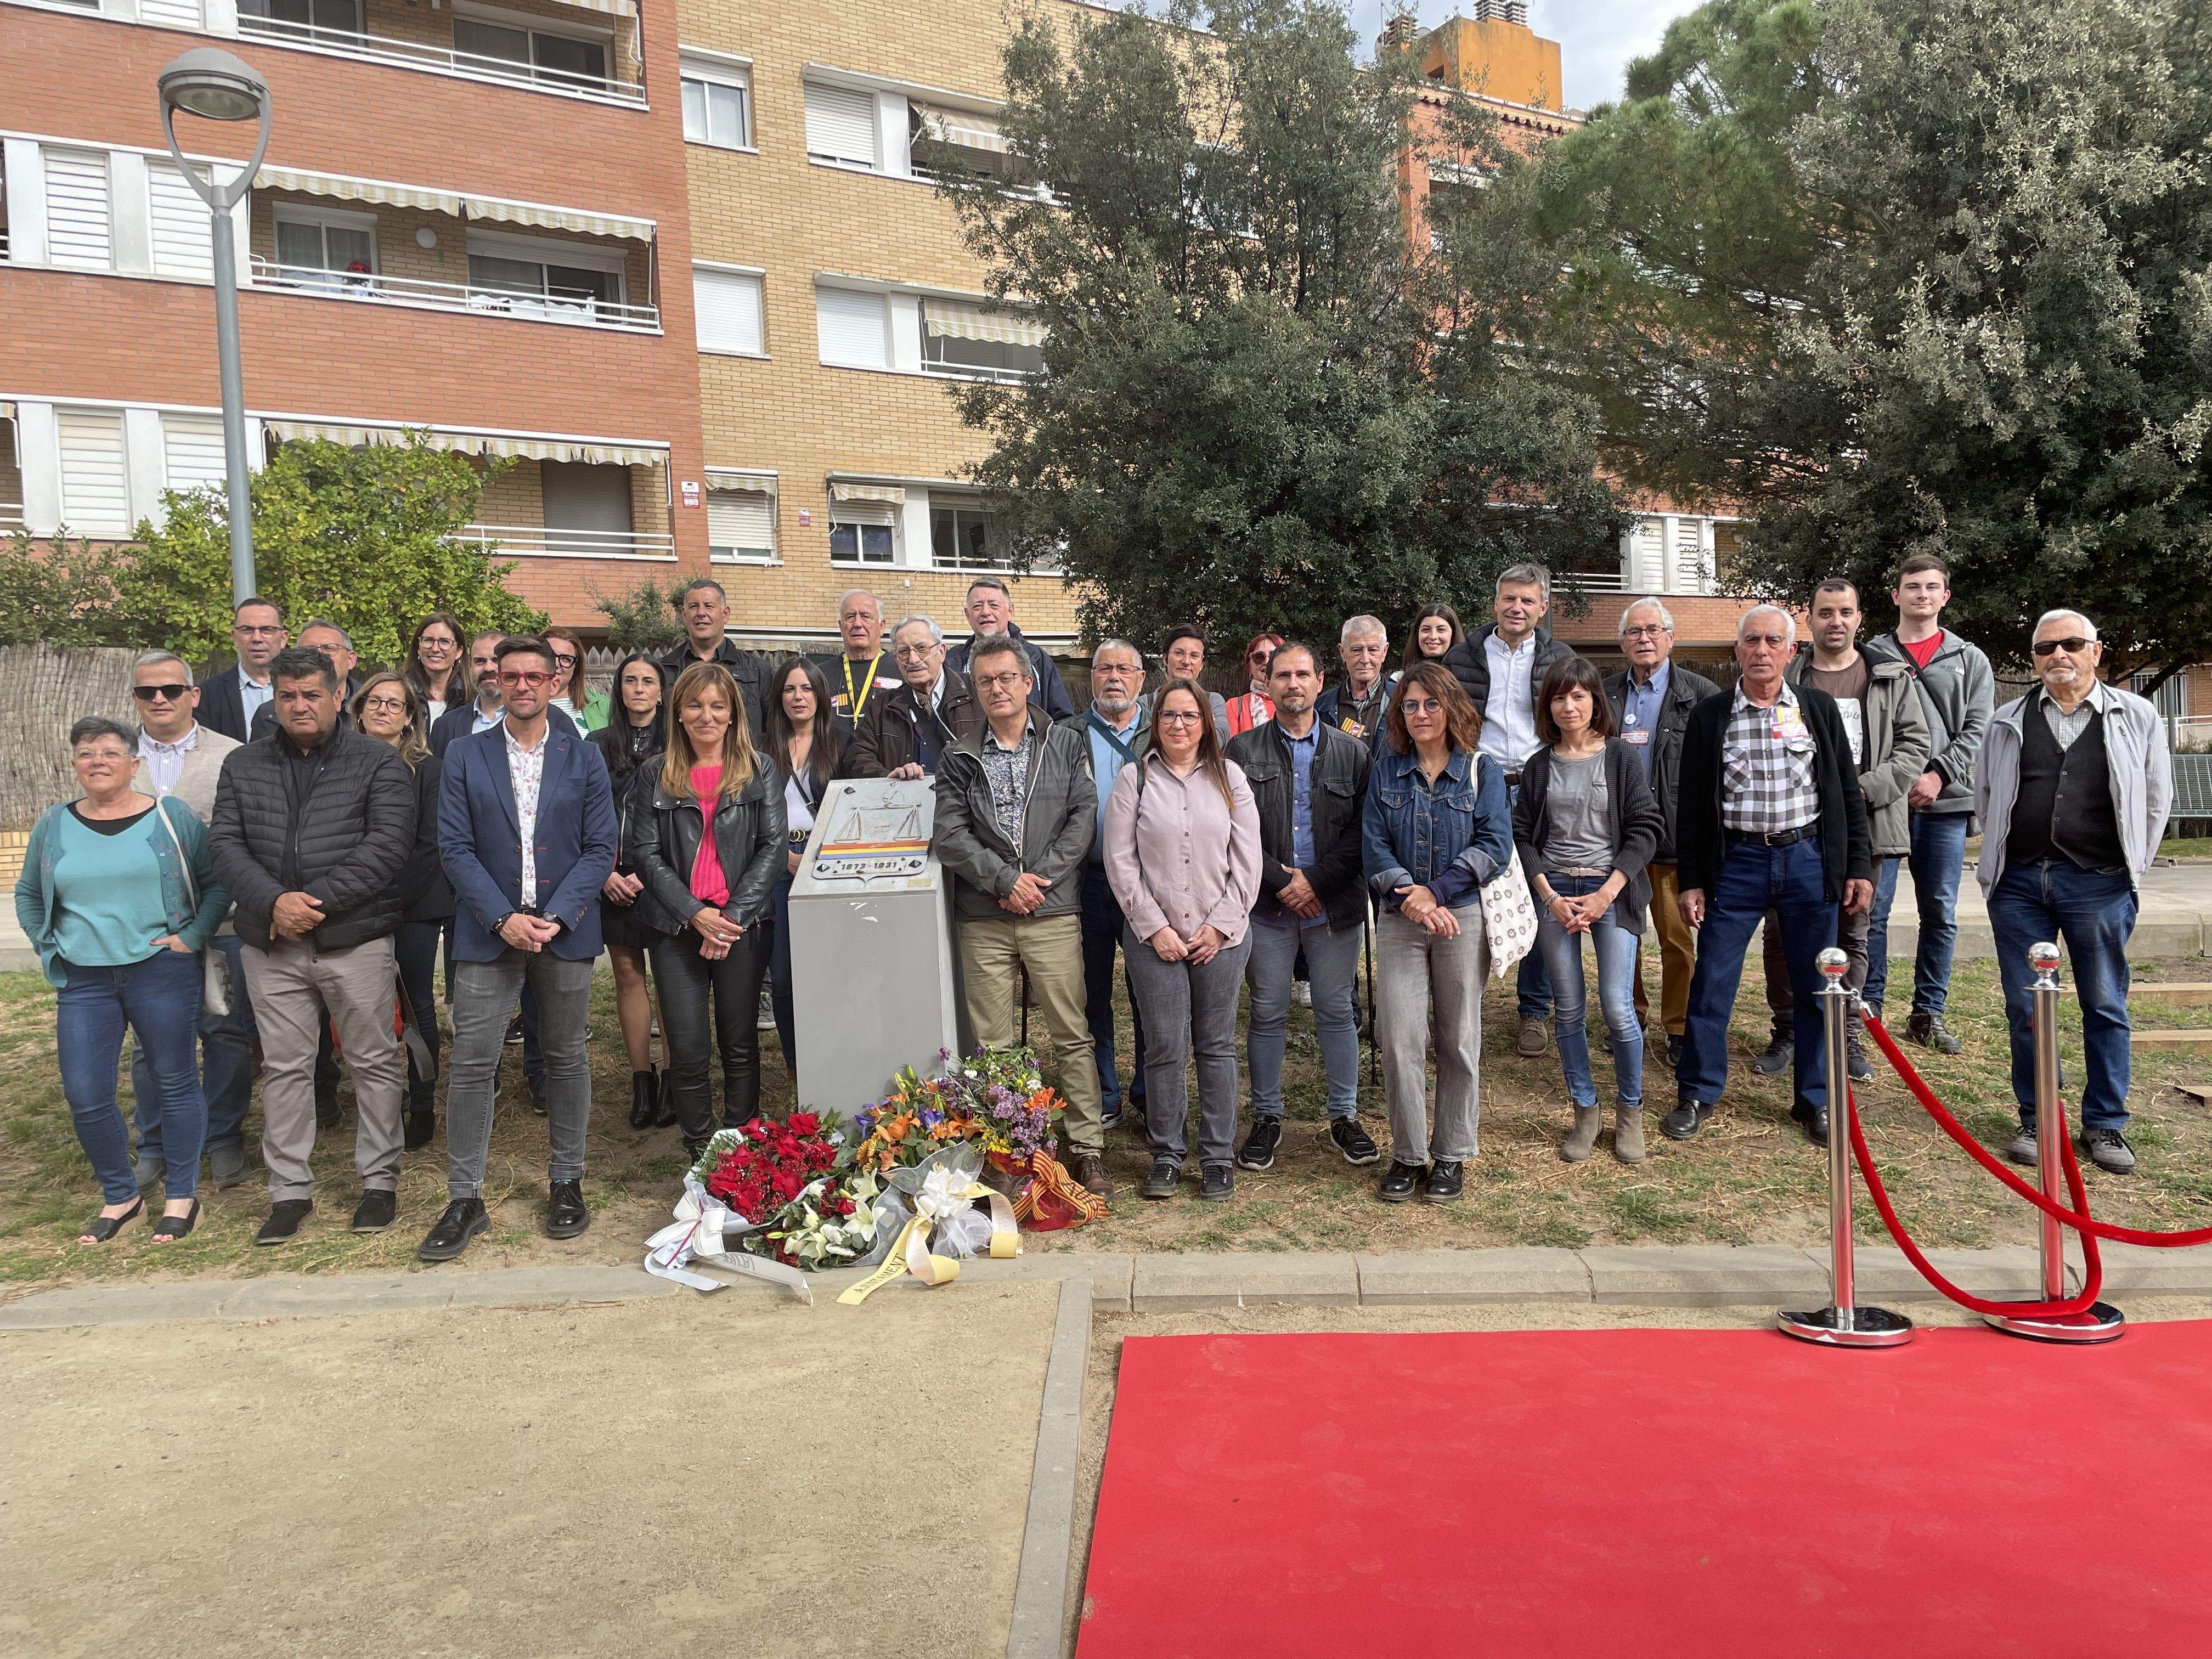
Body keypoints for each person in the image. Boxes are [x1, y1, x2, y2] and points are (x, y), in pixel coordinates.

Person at [210, 645, 416, 1243]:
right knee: (285, 1069)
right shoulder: (243, 765)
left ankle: (379, 1183)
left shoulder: (377, 762)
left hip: (353, 941)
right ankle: (289, 1192)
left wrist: (311, 904)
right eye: (287, 696)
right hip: (271, 945)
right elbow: (225, 845)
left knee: (373, 1062)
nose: (299, 705)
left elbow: (387, 847)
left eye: (311, 694)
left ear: (335, 696)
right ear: (274, 701)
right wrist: (274, 903)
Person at [420, 636, 618, 1261]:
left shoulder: (582, 756)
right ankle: (464, 1198)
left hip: (566, 931)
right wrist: (503, 917)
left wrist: (556, 916)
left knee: (566, 1060)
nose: (525, 686)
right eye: (513, 676)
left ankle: (567, 1182)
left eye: (538, 675)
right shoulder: (463, 754)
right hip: (487, 932)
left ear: (555, 682)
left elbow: (599, 846)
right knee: (475, 1063)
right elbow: (454, 848)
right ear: (495, 682)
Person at [17, 718, 228, 1244]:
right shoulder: (53, 823)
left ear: (134, 764)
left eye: (110, 752)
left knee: (174, 1080)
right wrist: (49, 945)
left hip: (161, 970)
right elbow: (27, 893)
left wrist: (192, 937)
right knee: (85, 1093)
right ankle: (121, 1194)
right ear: (75, 765)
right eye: (87, 753)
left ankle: (182, 1194)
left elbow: (216, 884)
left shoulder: (169, 816)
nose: (98, 761)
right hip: (84, 980)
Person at [1976, 611, 2170, 1176]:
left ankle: (2105, 1122)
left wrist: (2132, 865)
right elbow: (1988, 794)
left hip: (2099, 883)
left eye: (2071, 644)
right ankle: (2038, 1117)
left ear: (2095, 651)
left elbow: (2156, 799)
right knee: (2027, 1006)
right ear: (2033, 659)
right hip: (2018, 885)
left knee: (2104, 1003)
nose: (2058, 655)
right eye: (2045, 648)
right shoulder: (2006, 720)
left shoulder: (2137, 716)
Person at [1671, 607, 1874, 1147]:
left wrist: (1857, 864)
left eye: (1774, 641)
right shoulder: (1711, 716)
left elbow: (1846, 795)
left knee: (1815, 987)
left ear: (1792, 651)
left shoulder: (1818, 709)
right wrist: (1691, 879)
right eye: (1752, 641)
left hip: (1807, 860)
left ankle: (1815, 1100)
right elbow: (1690, 806)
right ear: (1737, 651)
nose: (1762, 650)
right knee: (1712, 982)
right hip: (1735, 864)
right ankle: (1696, 1092)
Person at [933, 634, 1108, 1198]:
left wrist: (1038, 883)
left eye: (1007, 678)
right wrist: (1005, 881)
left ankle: (1086, 1149)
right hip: (984, 914)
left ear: (1029, 681)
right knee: (995, 1045)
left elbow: (1083, 817)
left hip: (1052, 910)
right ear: (975, 688)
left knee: (1072, 1035)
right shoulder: (958, 754)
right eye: (985, 681)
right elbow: (950, 835)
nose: (997, 689)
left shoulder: (1065, 741)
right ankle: (1011, 1151)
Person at [1753, 582, 1931, 1082]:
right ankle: (1787, 1031)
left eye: (1845, 612)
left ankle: (1846, 1034)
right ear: (1809, 620)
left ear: (1859, 618)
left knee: (1856, 929)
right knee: (1782, 932)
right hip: (1794, 824)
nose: (1836, 621)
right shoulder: (1785, 673)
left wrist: (1857, 793)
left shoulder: (1890, 676)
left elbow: (1915, 747)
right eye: (1825, 612)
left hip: (1867, 822)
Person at [1361, 662, 1514, 1204]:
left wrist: (1438, 892)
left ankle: (1450, 1155)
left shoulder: (1480, 770)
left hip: (1461, 918)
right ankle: (1407, 1155)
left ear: (1451, 707)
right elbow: (1374, 844)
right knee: (1400, 1040)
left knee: (1458, 1039)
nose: (1421, 713)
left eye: (1431, 703)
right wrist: (1413, 897)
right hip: (1402, 922)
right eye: (1410, 705)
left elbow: (1496, 844)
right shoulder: (1387, 768)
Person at [1107, 679, 1262, 1201]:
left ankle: (1217, 1157)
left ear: (1206, 724)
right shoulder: (1135, 780)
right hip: (1156, 939)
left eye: (1189, 716)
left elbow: (1248, 860)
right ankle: (1167, 1154)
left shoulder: (1230, 778)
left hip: (1222, 934)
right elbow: (1121, 861)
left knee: (1215, 1046)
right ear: (1156, 722)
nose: (1178, 725)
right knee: (1165, 1046)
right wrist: (1156, 928)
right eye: (1169, 716)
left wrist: (1219, 925)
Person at [1228, 642, 1377, 1170]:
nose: (1293, 683)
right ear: (1267, 684)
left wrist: (1313, 880)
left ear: (1320, 681)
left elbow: (1366, 833)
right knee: (1267, 1013)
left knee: (1336, 1011)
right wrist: (1281, 881)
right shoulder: (1241, 753)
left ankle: (1344, 1116)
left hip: (1332, 905)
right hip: (1266, 907)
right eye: (1282, 675)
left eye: (1302, 675)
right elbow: (1234, 833)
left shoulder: (1353, 753)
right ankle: (1267, 1117)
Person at [629, 662, 785, 1159]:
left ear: (734, 713)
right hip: (677, 928)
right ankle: (702, 1155)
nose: (706, 716)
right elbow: (645, 854)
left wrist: (731, 917)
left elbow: (773, 848)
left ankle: (740, 1148)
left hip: (741, 927)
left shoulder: (760, 768)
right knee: (689, 1050)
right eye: (695, 706)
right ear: (677, 714)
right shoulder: (655, 774)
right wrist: (696, 914)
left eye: (718, 706)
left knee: (739, 1044)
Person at [1515, 658, 1665, 1163]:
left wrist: (1607, 892)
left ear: (1595, 701)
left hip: (1612, 893)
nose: (1569, 706)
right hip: (1555, 893)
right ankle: (1585, 1109)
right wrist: (1551, 897)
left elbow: (1647, 827)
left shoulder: (1621, 757)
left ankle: (1630, 1111)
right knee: (1569, 1009)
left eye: (1579, 696)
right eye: (1559, 698)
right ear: (1548, 706)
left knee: (1617, 1008)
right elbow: (1522, 837)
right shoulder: (1540, 765)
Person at [126, 650, 249, 1194]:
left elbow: (244, 842)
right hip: (144, 933)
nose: (159, 700)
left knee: (224, 1032)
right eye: (147, 692)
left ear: (193, 695)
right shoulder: (118, 757)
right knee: (151, 1042)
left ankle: (222, 1137)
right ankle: (154, 1144)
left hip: (221, 925)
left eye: (171, 690)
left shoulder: (232, 757)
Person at [1866, 552, 1995, 1054]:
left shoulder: (1970, 659)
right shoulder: (1873, 654)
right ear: (1896, 595)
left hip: (1945, 803)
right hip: (1886, 803)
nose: (1922, 595)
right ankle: (1868, 1008)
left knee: (1938, 911)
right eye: (1912, 587)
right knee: (1872, 909)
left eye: (1932, 587)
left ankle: (1927, 1013)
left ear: (1945, 596)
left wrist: (1939, 775)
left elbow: (1979, 729)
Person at [1442, 565, 1574, 1058]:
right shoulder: (1462, 658)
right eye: (1508, 598)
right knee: (1467, 893)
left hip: (1541, 786)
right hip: (1480, 787)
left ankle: (1534, 1012)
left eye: (1527, 601)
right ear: (1495, 602)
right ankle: (1459, 1010)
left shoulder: (1561, 657)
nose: (1516, 607)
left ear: (1543, 609)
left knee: (1543, 897)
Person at [1605, 599, 1719, 1073]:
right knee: (1622, 938)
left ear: (1672, 638)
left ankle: (1678, 1026)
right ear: (1623, 641)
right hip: (1618, 842)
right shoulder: (1604, 693)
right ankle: (1629, 1017)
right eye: (1634, 632)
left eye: (1653, 630)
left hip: (1674, 842)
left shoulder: (1702, 694)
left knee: (1677, 940)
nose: (1644, 639)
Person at [351, 670, 452, 1151]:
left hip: (412, 905)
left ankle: (422, 1102)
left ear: (410, 717)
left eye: (395, 704)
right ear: (359, 710)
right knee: (360, 1009)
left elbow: (431, 845)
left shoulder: (429, 771)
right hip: (348, 907)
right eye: (375, 701)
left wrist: (385, 898)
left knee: (416, 1007)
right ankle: (371, 1103)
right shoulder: (336, 766)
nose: (384, 710)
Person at [1066, 640, 1152, 1130]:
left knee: (1148, 991)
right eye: (1104, 669)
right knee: (1090, 991)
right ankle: (1104, 1092)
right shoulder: (1066, 734)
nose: (1114, 677)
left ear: (1141, 678)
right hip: (1087, 882)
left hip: (1147, 887)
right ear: (1091, 678)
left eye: (1124, 668)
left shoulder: (1164, 731)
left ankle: (1148, 1092)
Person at [589, 652, 675, 1131]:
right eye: (629, 681)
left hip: (662, 876)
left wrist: (648, 871)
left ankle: (673, 1077)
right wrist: (604, 872)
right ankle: (641, 1078)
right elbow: (585, 813)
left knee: (669, 975)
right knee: (627, 973)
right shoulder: (596, 743)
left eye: (648, 681)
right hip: (611, 876)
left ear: (662, 692)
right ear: (618, 690)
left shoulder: (679, 743)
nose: (639, 688)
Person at [760, 656, 844, 1077]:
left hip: (830, 866)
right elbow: (752, 818)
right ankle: (799, 1065)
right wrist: (786, 858)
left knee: (833, 966)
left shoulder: (842, 741)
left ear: (820, 696)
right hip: (777, 868)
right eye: (790, 689)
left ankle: (837, 1053)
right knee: (785, 973)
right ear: (779, 697)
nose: (798, 697)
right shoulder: (760, 748)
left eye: (806, 689)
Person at [838, 617, 984, 779]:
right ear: (897, 661)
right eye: (903, 652)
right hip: (905, 801)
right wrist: (889, 777)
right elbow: (857, 758)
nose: (913, 660)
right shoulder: (882, 707)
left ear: (942, 652)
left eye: (922, 648)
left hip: (964, 801)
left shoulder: (978, 693)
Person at [943, 576, 1075, 719]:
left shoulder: (1036, 659)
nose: (985, 612)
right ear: (968, 615)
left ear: (1010, 611)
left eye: (994, 605)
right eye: (977, 606)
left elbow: (1062, 718)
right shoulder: (951, 663)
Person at [657, 577, 768, 734]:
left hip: (743, 758)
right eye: (694, 607)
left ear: (725, 614)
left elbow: (774, 730)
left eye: (709, 606)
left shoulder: (757, 670)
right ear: (684, 614)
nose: (701, 613)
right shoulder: (664, 670)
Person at [814, 589, 903, 741]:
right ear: (841, 627)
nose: (858, 624)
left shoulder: (902, 670)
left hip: (885, 763)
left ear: (882, 626)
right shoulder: (819, 675)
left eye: (866, 616)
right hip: (833, 763)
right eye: (850, 617)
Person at [196, 596, 288, 742]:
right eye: (247, 630)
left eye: (267, 630)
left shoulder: (305, 689)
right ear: (235, 637)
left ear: (283, 639)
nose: (257, 638)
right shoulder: (207, 694)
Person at [248, 620, 358, 740]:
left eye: (328, 648)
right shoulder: (268, 715)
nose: (320, 655)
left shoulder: (372, 706)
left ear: (350, 660)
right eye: (309, 650)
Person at [1316, 614, 1397, 742]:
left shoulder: (1402, 700)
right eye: (1357, 650)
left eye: (1373, 650)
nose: (1365, 659)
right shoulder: (1322, 707)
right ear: (1343, 652)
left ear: (1384, 652)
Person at [430, 630, 509, 758]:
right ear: (470, 666)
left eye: (496, 660)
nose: (488, 668)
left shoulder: (538, 720)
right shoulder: (445, 726)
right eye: (480, 661)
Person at [1144, 626, 1231, 741]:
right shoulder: (1144, 704)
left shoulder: (1212, 701)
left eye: (1194, 655)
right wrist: (1203, 727)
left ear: (1202, 664)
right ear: (1165, 659)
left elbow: (1220, 738)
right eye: (1179, 653)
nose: (1186, 661)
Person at [403, 612, 466, 725]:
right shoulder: (401, 693)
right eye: (429, 640)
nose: (435, 649)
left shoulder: (470, 698)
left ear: (459, 652)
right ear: (418, 648)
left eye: (445, 642)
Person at [546, 626, 607, 732]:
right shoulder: (518, 704)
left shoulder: (602, 706)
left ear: (576, 667)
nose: (556, 664)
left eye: (566, 659)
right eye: (549, 655)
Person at [1223, 633, 1283, 737]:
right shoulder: (1234, 706)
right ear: (1250, 667)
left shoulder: (1295, 702)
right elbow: (1230, 751)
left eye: (1274, 656)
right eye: (1259, 657)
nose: (1267, 662)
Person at [1401, 603, 1464, 670]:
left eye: (1441, 630)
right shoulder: (1399, 678)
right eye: (1426, 629)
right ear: (1417, 634)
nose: (1433, 637)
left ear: (1453, 635)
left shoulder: (1468, 678)